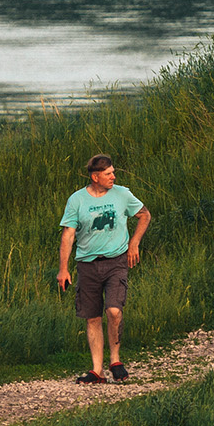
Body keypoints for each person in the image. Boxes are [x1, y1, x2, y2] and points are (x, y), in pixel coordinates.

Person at [57, 154, 152, 384]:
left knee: (113, 311)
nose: (113, 177)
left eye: (113, 172)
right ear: (95, 177)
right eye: (108, 174)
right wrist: (64, 269)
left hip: (116, 261)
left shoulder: (122, 194)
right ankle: (97, 371)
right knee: (92, 317)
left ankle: (115, 359)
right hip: (87, 264)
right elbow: (68, 234)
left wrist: (134, 243)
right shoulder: (77, 200)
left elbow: (144, 215)